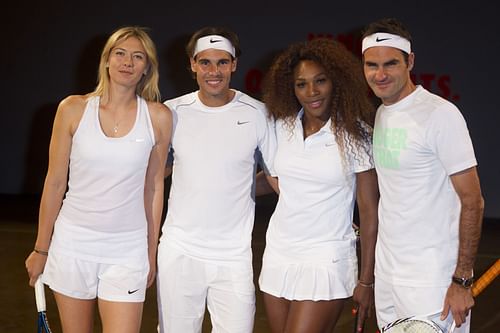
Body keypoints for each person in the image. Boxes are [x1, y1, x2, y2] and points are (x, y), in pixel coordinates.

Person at [25, 26, 172, 332]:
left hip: (127, 250)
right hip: (72, 245)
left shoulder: (158, 117)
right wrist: (41, 249)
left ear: (147, 68)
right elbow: (54, 183)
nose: (127, 62)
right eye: (120, 53)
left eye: (137, 56)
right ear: (106, 60)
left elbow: (154, 186)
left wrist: (150, 252)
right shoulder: (72, 109)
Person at [361, 18, 484, 332]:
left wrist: (462, 280)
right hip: (389, 277)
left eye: (390, 63)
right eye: (371, 65)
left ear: (410, 61)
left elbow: (473, 202)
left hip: (433, 282)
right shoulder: (381, 112)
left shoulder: (440, 114)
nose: (380, 74)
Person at [156, 26, 276, 333]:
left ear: (234, 64)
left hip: (233, 257)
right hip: (179, 252)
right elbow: (154, 174)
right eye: (205, 62)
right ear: (192, 64)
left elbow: (278, 180)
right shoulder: (172, 112)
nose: (214, 71)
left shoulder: (258, 114)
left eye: (222, 62)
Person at [257, 38, 379, 333]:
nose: (311, 92)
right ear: (291, 87)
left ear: (335, 81)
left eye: (320, 81)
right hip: (279, 253)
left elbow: (370, 213)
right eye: (302, 84)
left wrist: (366, 280)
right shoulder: (280, 127)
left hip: (326, 258)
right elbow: (277, 181)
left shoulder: (356, 135)